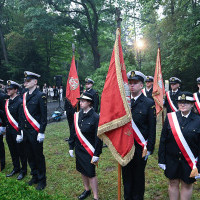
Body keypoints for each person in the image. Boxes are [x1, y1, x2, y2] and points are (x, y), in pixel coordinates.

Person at [158, 91, 200, 200]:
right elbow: (163, 140)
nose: (183, 104)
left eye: (186, 102)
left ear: (192, 104)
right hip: (172, 159)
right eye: (181, 102)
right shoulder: (170, 118)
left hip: (190, 161)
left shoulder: (198, 120)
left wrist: (199, 165)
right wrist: (161, 159)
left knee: (187, 184)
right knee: (173, 182)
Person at [122, 70, 156, 200]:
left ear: (141, 85)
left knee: (138, 176)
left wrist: (150, 148)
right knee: (126, 175)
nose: (132, 85)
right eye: (130, 83)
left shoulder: (149, 103)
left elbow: (152, 128)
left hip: (141, 147)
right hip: (125, 146)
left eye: (135, 83)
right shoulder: (124, 102)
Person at [68, 92, 103, 200]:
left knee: (91, 173)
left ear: (89, 102)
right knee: (82, 170)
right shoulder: (78, 115)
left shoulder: (96, 117)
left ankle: (96, 196)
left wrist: (97, 153)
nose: (80, 102)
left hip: (90, 151)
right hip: (79, 148)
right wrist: (71, 146)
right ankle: (87, 190)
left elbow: (99, 137)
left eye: (83, 101)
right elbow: (73, 132)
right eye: (81, 100)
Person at [20, 71, 47, 190]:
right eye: (25, 81)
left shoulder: (41, 96)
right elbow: (22, 115)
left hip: (35, 132)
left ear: (35, 82)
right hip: (25, 131)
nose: (25, 83)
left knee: (38, 156)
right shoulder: (24, 95)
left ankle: (42, 180)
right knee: (29, 155)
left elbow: (43, 116)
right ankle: (34, 176)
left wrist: (41, 132)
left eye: (28, 81)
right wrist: (21, 130)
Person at [4, 80, 27, 180]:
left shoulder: (20, 101)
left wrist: (19, 133)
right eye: (7, 89)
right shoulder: (7, 101)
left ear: (16, 90)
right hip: (9, 131)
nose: (8, 90)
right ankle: (16, 168)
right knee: (12, 150)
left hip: (17, 131)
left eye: (10, 89)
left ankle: (24, 170)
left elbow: (22, 119)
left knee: (21, 152)